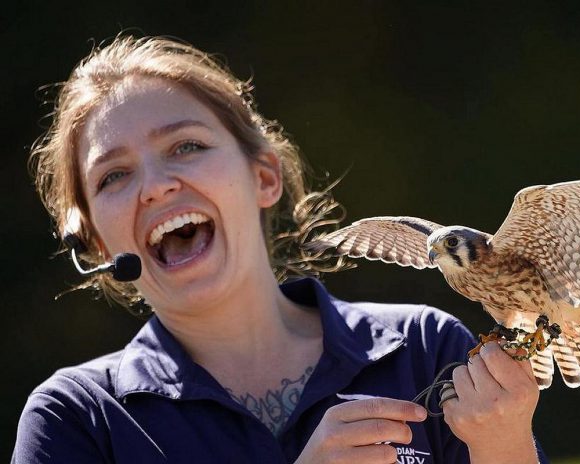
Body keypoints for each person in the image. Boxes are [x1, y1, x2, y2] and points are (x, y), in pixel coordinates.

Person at [13, 35, 547, 463]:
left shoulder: (425, 350)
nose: (155, 186)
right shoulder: (78, 418)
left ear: (264, 177)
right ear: (93, 239)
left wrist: (502, 445)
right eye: (114, 176)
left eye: (186, 146)